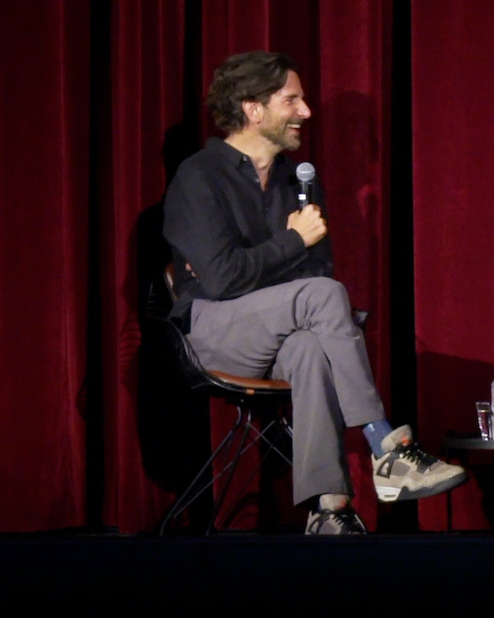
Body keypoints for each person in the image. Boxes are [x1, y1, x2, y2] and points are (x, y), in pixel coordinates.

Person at [163, 50, 466, 534]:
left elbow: (316, 266)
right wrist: (291, 242)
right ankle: (385, 446)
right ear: (252, 108)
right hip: (214, 333)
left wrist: (285, 262)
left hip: (280, 334)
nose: (306, 112)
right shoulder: (199, 176)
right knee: (322, 296)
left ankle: (329, 509)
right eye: (293, 100)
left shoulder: (296, 180)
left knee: (310, 346)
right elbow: (221, 280)